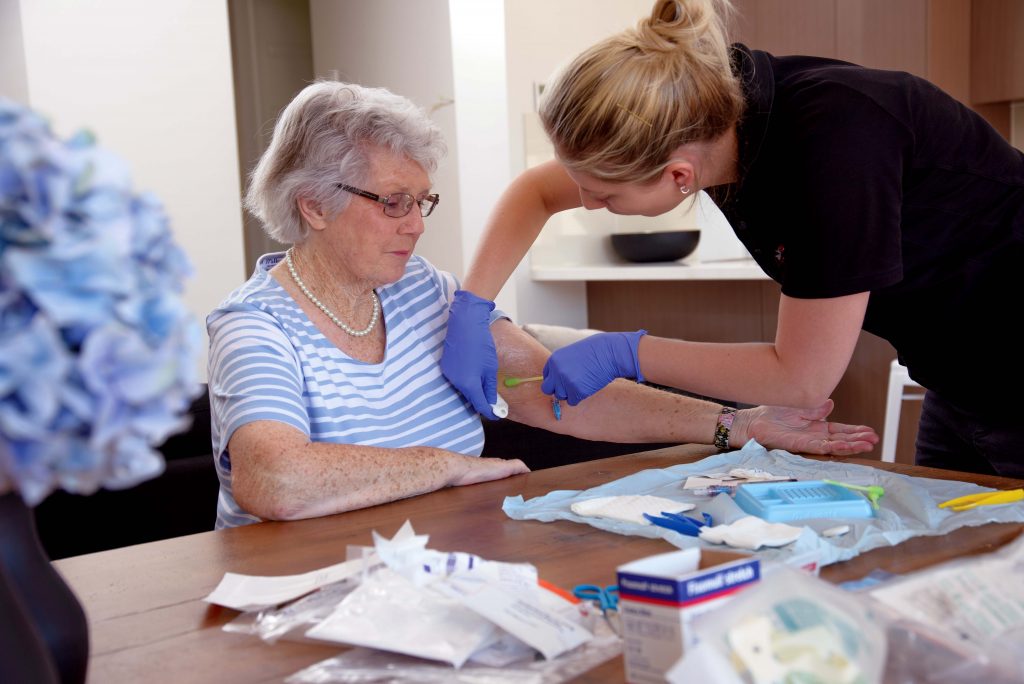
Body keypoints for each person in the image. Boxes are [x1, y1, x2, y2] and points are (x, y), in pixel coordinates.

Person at [207, 80, 877, 528]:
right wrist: (442, 466)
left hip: (438, 573)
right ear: (312, 205)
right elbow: (276, 480)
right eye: (392, 203)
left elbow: (547, 392)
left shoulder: (425, 293)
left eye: (422, 201)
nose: (416, 225)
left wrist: (739, 424)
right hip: (302, 593)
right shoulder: (254, 326)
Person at [440, 0, 1024, 478]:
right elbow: (537, 193)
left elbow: (800, 380)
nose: (588, 204)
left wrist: (625, 352)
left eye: (605, 195)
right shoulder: (705, 114)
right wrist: (472, 303)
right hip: (960, 378)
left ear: (678, 177)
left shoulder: (836, 146)